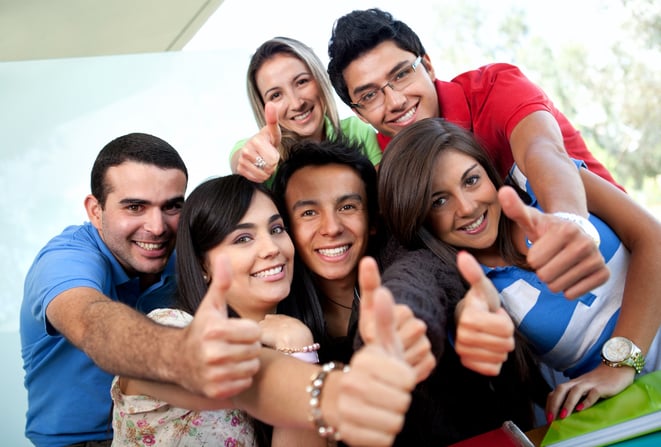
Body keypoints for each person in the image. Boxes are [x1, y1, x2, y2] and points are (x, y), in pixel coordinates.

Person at [20, 132, 418, 447]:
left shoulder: (181, 254)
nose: (157, 227)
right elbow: (93, 324)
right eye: (135, 207)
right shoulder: (70, 262)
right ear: (95, 210)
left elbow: (224, 215)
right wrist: (190, 352)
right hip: (74, 440)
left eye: (173, 206)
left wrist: (298, 347)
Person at [378, 117, 661, 425]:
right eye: (439, 201)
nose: (468, 207)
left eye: (471, 180)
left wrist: (619, 365)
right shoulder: (469, 284)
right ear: (418, 217)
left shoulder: (541, 184)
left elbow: (653, 238)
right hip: (623, 405)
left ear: (488, 172)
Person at [273, 138, 547, 446]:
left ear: (373, 221)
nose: (332, 227)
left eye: (347, 206)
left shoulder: (409, 255)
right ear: (286, 228)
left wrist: (400, 325)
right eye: (309, 213)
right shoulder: (282, 303)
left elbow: (417, 286)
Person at [327, 8, 618, 295]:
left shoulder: (496, 87)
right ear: (360, 114)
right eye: (369, 95)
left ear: (428, 66)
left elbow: (541, 150)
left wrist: (570, 224)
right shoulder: (389, 173)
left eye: (402, 74)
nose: (395, 101)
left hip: (613, 248)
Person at [112, 175, 325, 447]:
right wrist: (297, 351)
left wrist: (298, 349)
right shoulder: (173, 328)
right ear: (203, 266)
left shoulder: (297, 338)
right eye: (243, 238)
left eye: (276, 229)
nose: (271, 249)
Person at [230, 36, 382, 185]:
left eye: (301, 82)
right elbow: (242, 159)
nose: (296, 104)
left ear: (320, 78)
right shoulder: (260, 154)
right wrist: (251, 164)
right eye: (276, 95)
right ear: (262, 106)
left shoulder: (357, 131)